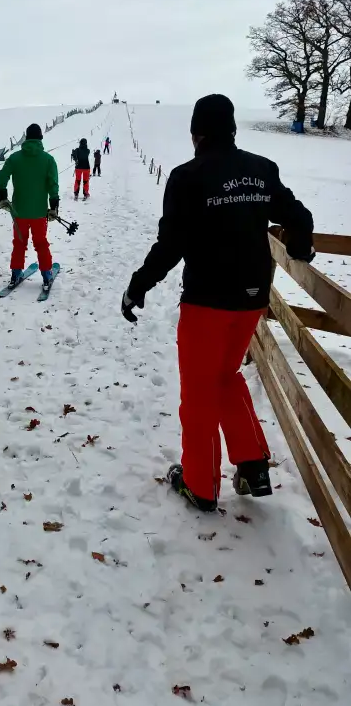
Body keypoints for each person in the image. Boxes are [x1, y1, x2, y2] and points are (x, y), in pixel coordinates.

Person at [121, 94, 314, 512]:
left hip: (207, 303)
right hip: (250, 300)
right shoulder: (262, 170)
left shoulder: (187, 176)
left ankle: (201, 487)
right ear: (232, 130)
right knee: (226, 376)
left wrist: (138, 285)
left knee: (199, 394)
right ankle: (253, 465)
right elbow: (299, 216)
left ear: (197, 133)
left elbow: (171, 244)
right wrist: (301, 246)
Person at [0, 123, 59, 291]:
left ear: (26, 138)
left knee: (19, 243)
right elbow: (53, 185)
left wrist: (3, 197)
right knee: (41, 244)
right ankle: (46, 276)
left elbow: (2, 177)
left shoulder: (14, 158)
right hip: (39, 213)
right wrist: (54, 207)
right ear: (40, 138)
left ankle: (16, 274)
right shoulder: (48, 160)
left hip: (18, 212)